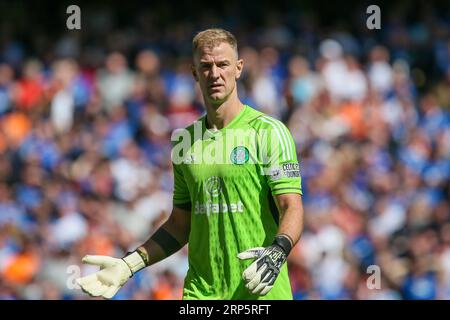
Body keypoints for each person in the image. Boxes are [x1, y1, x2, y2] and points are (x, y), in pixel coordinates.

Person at [77, 28, 304, 300]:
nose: (215, 74)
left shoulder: (268, 132)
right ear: (195, 73)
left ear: (239, 68)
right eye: (205, 66)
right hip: (201, 294)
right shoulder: (185, 141)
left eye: (223, 65)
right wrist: (130, 264)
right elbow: (180, 224)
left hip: (259, 292)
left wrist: (278, 250)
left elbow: (292, 206)